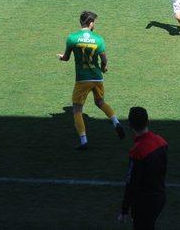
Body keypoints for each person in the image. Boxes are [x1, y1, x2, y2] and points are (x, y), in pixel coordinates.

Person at [58, 11, 125, 150]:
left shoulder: (72, 38)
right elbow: (104, 59)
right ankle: (116, 122)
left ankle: (84, 141)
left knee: (77, 109)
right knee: (100, 102)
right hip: (97, 77)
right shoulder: (98, 39)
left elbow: (66, 58)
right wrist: (103, 66)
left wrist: (61, 57)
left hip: (82, 79)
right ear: (91, 23)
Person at [118, 107, 167, 230]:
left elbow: (131, 184)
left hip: (144, 203)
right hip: (160, 197)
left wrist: (124, 210)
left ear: (130, 125)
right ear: (147, 121)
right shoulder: (161, 142)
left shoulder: (137, 152)